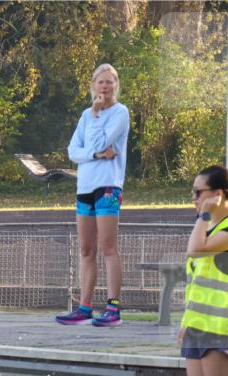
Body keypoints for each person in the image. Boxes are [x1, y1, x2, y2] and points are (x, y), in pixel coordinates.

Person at [57, 63, 130, 327]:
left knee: (108, 247)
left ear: (115, 85)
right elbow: (73, 151)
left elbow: (100, 141)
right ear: (93, 85)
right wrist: (96, 155)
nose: (105, 87)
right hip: (85, 187)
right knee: (86, 249)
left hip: (108, 185)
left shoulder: (120, 113)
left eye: (110, 82)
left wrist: (98, 117)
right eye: (101, 82)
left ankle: (113, 307)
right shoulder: (85, 115)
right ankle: (84, 307)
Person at [180, 164, 228, 376]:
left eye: (199, 193)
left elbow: (197, 249)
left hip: (220, 326)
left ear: (219, 194)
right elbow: (195, 282)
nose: (195, 199)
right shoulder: (207, 226)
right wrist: (185, 322)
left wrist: (205, 214)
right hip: (197, 325)